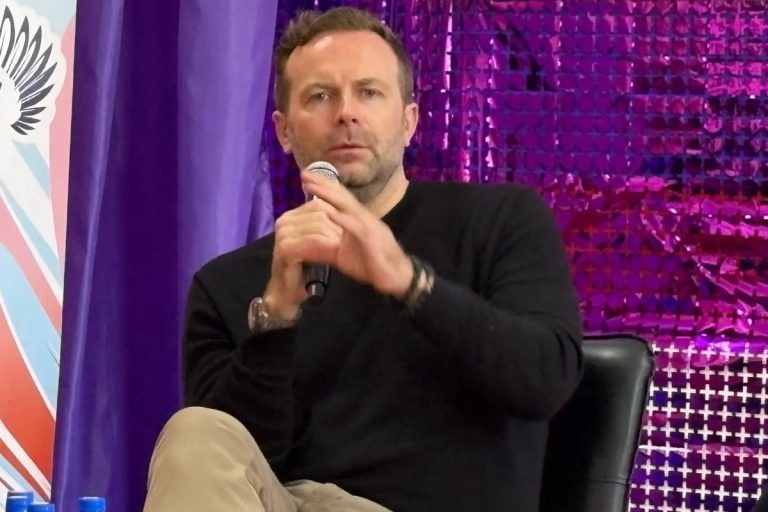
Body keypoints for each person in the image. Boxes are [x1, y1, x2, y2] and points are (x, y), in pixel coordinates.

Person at [143, 6, 582, 512]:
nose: (346, 113)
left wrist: (408, 281)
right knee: (195, 431)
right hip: (286, 502)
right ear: (284, 132)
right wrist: (276, 320)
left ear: (409, 121)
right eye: (320, 96)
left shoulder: (500, 221)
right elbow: (218, 472)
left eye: (369, 93)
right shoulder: (228, 284)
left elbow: (545, 381)